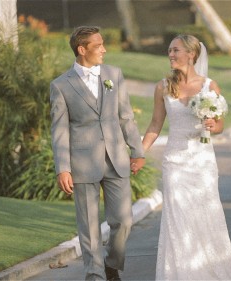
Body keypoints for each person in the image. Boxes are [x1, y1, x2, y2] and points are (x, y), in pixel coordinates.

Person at [50, 26, 145, 281]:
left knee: (123, 220)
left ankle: (112, 262)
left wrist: (137, 150)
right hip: (82, 163)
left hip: (116, 160)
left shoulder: (114, 74)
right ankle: (95, 274)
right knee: (89, 226)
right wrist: (63, 168)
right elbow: (59, 129)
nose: (104, 49)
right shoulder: (60, 85)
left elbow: (126, 116)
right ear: (82, 50)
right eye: (98, 45)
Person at [142, 34, 231, 280]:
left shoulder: (210, 87)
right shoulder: (163, 87)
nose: (171, 55)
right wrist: (139, 153)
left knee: (206, 215)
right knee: (178, 219)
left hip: (202, 161)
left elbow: (220, 126)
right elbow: (155, 124)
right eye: (170, 51)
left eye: (176, 50)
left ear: (191, 54)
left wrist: (213, 125)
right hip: (175, 162)